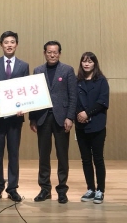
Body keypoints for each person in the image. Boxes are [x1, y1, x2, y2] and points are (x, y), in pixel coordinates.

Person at [29, 41, 77, 204]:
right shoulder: (38, 70)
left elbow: (73, 96)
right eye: (49, 52)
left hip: (62, 118)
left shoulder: (68, 70)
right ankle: (45, 189)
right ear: (44, 53)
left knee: (62, 155)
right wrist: (32, 118)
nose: (52, 55)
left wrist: (70, 117)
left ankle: (62, 190)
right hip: (42, 118)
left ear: (59, 53)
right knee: (43, 155)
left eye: (55, 52)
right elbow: (33, 97)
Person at [0, 31, 30, 203]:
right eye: (6, 42)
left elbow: (25, 90)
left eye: (12, 42)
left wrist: (24, 107)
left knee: (13, 154)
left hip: (15, 118)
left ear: (16, 44)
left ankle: (12, 188)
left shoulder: (23, 65)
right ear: (1, 45)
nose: (9, 45)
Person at [75, 52, 110, 205]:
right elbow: (73, 101)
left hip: (97, 125)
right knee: (85, 159)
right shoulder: (77, 81)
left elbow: (103, 102)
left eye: (90, 61)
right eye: (84, 61)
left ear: (94, 63)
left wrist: (87, 113)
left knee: (98, 158)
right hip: (81, 126)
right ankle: (90, 188)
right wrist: (79, 114)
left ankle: (100, 190)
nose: (87, 64)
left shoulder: (101, 80)